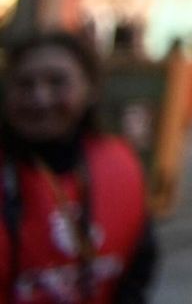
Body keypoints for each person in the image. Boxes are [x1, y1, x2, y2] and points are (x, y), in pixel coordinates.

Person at [0, 32, 155, 303]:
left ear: (91, 89)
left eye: (57, 82)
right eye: (25, 84)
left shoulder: (119, 165)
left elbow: (137, 271)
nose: (40, 98)